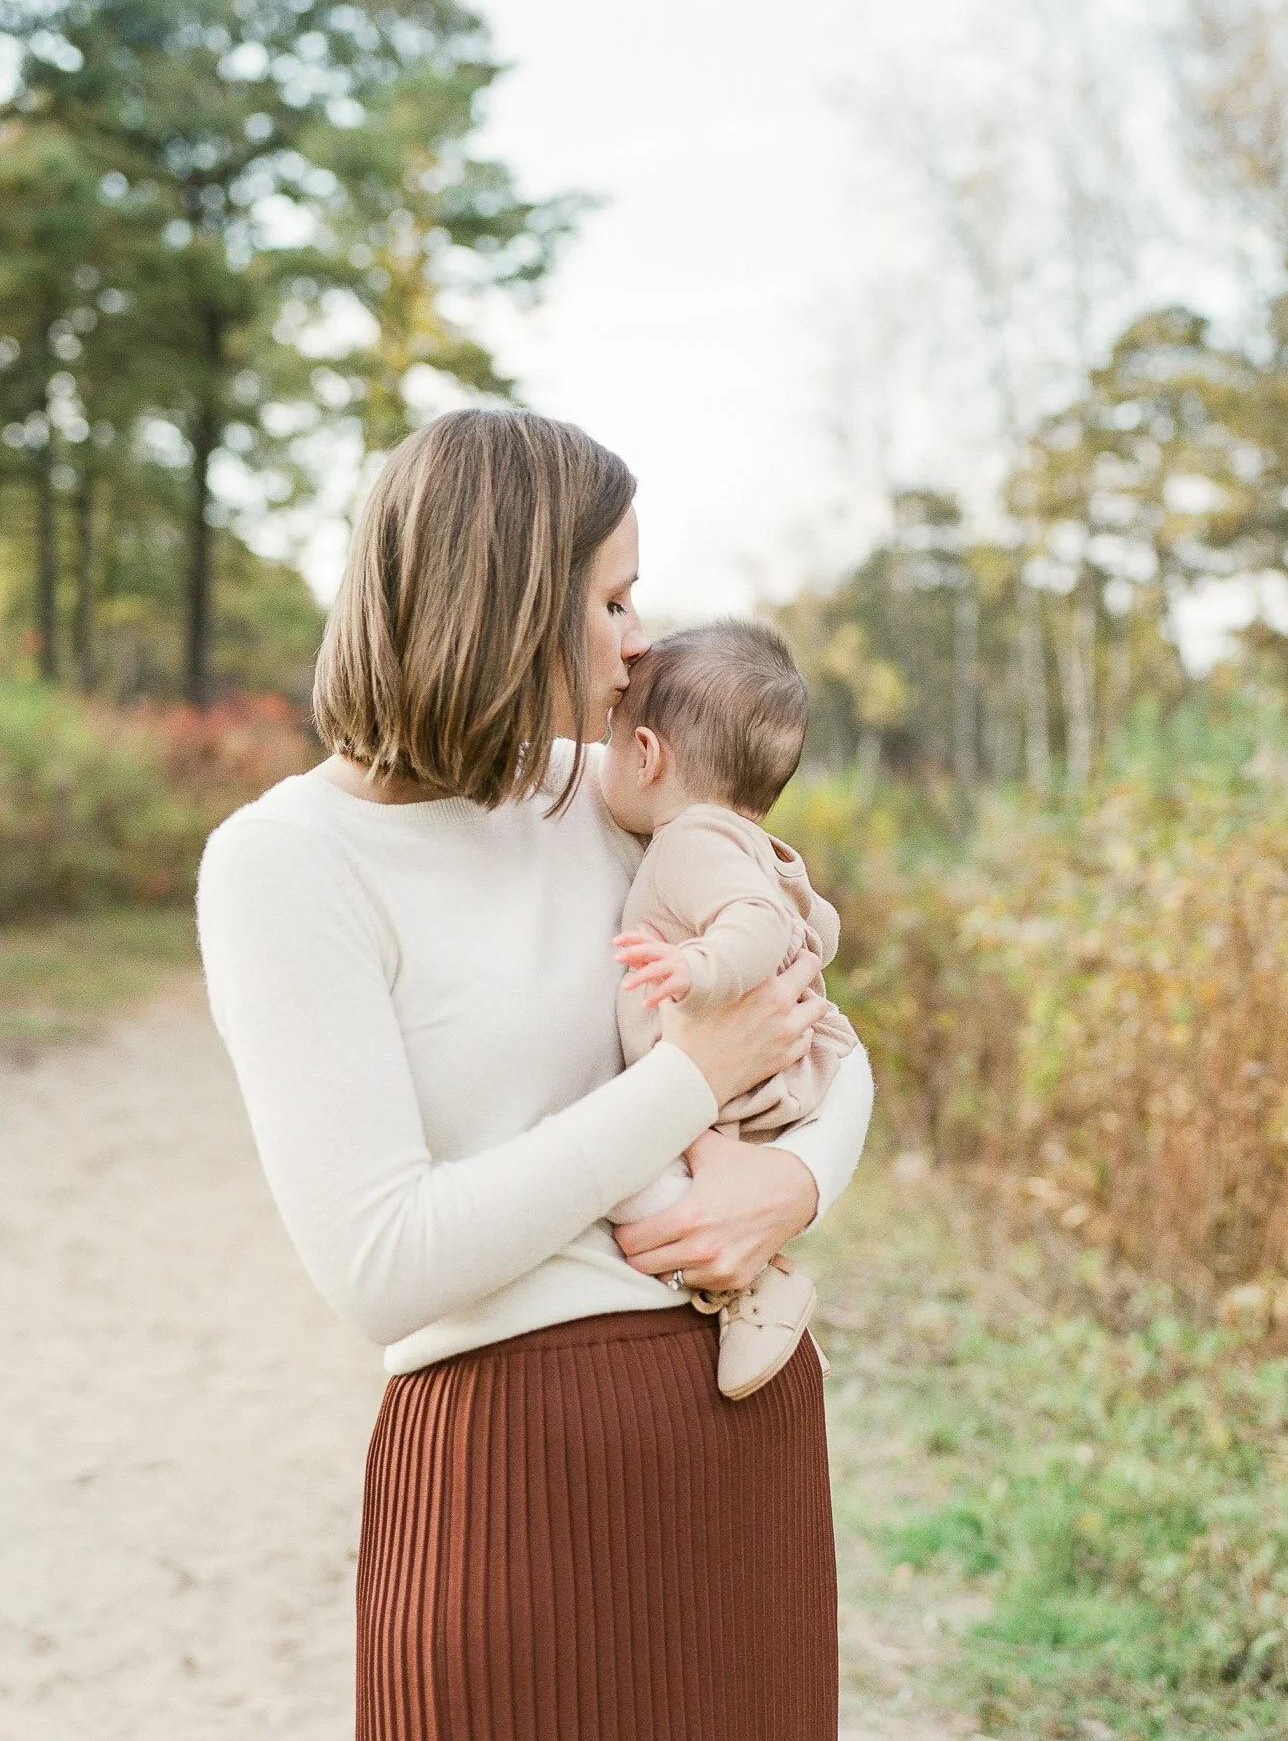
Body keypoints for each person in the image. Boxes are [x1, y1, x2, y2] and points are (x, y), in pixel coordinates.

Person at [195, 409, 874, 1741]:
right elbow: (383, 1260)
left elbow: (818, 1027)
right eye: (612, 598)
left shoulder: (613, 792)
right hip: (508, 1484)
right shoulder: (287, 864)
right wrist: (687, 1086)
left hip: (739, 1448)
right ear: (502, 599)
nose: (643, 640)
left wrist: (791, 1184)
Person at [597, 618, 861, 1400]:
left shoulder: (688, 842)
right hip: (776, 1071)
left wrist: (696, 968)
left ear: (646, 755)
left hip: (738, 1086)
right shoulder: (747, 836)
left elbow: (759, 923)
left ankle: (757, 1292)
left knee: (623, 1182)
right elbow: (819, 926)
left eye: (612, 742)